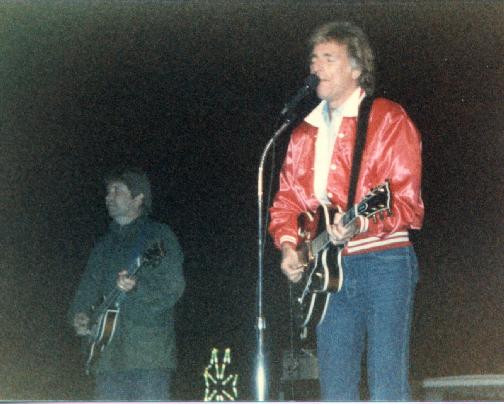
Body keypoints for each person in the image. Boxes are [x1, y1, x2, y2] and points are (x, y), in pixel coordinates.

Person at [269, 21, 424, 400]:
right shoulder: (303, 132)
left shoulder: (388, 118)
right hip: (327, 274)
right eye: (313, 58)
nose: (315, 66)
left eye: (328, 57)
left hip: (384, 262)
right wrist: (290, 245)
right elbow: (288, 200)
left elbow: (406, 200)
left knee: (386, 383)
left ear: (356, 68)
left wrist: (363, 221)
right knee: (335, 389)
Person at [68, 167, 185, 401]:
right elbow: (86, 291)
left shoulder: (159, 237)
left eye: (117, 190)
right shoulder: (103, 245)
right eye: (108, 191)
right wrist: (78, 316)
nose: (108, 196)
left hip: (148, 359)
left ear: (138, 198)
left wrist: (137, 288)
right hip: (106, 359)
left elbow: (173, 288)